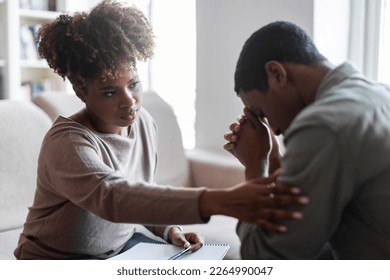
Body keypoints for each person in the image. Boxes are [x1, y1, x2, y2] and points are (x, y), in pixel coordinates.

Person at [14, 2, 308, 260]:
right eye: (108, 92)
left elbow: (142, 195)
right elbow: (114, 196)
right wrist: (220, 200)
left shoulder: (143, 124)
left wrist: (169, 230)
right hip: (55, 258)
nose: (129, 101)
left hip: (120, 249)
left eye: (134, 84)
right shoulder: (68, 141)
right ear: (81, 92)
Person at [224, 20, 390, 259]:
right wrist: (273, 160)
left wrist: (254, 168)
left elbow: (267, 257)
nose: (273, 129)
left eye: (261, 113)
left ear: (276, 74)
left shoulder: (323, 125)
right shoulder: (380, 93)